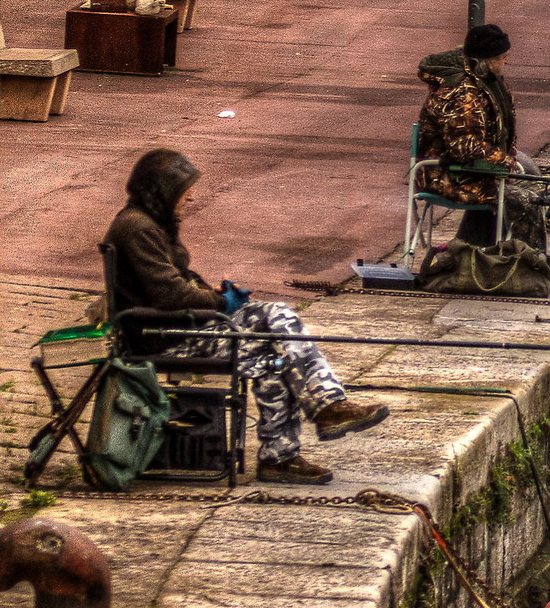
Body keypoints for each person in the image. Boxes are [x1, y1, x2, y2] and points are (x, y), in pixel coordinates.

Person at [105, 149, 390, 484]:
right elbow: (170, 294)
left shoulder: (150, 221)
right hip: (165, 339)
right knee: (275, 343)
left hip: (179, 327)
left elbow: (177, 280)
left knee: (277, 328)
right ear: (160, 191)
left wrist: (213, 290)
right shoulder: (138, 229)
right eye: (184, 191)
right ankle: (314, 421)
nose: (191, 196)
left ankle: (290, 447)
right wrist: (220, 302)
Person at [416, 22, 549, 252]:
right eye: (502, 58)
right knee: (524, 200)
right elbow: (464, 146)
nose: (505, 63)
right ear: (486, 61)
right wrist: (505, 161)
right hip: (448, 174)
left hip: (470, 169)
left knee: (532, 176)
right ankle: (534, 265)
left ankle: (472, 247)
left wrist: (507, 161)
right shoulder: (462, 94)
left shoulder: (484, 81)